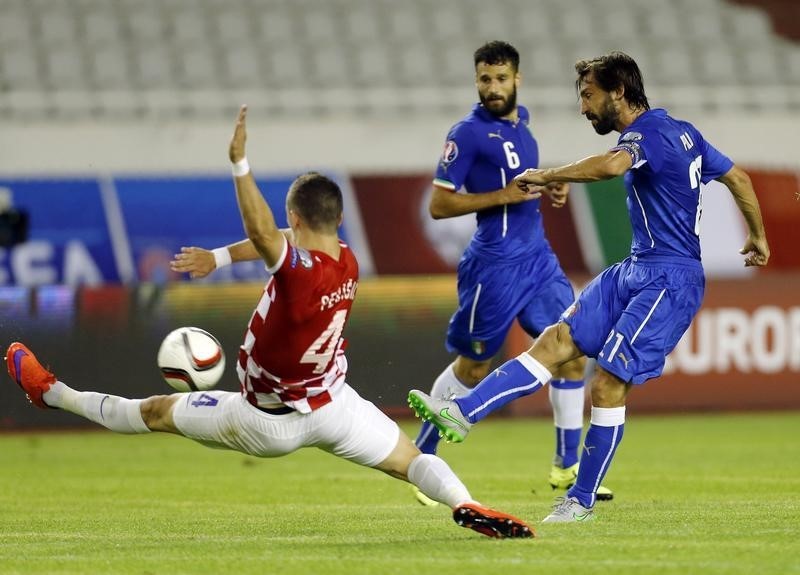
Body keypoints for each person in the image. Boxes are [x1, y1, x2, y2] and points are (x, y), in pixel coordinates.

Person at [6, 105, 533, 540]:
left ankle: (54, 395)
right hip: (334, 406)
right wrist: (218, 257)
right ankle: (466, 503)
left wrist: (240, 165)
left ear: (297, 224)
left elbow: (266, 235)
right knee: (409, 459)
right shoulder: (346, 258)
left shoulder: (298, 272)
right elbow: (278, 236)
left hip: (266, 420)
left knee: (156, 412)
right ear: (337, 220)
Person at [408, 51, 770, 522]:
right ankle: (463, 412)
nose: (583, 107)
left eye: (588, 95)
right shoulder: (684, 132)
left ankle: (578, 498)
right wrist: (758, 235)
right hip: (636, 267)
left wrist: (551, 174)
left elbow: (611, 168)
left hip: (671, 278)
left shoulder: (649, 135)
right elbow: (737, 177)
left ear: (618, 91)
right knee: (557, 341)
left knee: (608, 381)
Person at [412, 40, 612, 505]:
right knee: (476, 365)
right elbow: (439, 204)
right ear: (476, 80)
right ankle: (423, 454)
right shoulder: (466, 134)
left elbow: (525, 181)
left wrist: (552, 186)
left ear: (517, 79)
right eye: (485, 79)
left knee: (573, 350)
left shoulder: (524, 124)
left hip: (538, 260)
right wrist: (499, 196)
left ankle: (566, 466)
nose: (493, 87)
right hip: (493, 266)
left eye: (501, 78)